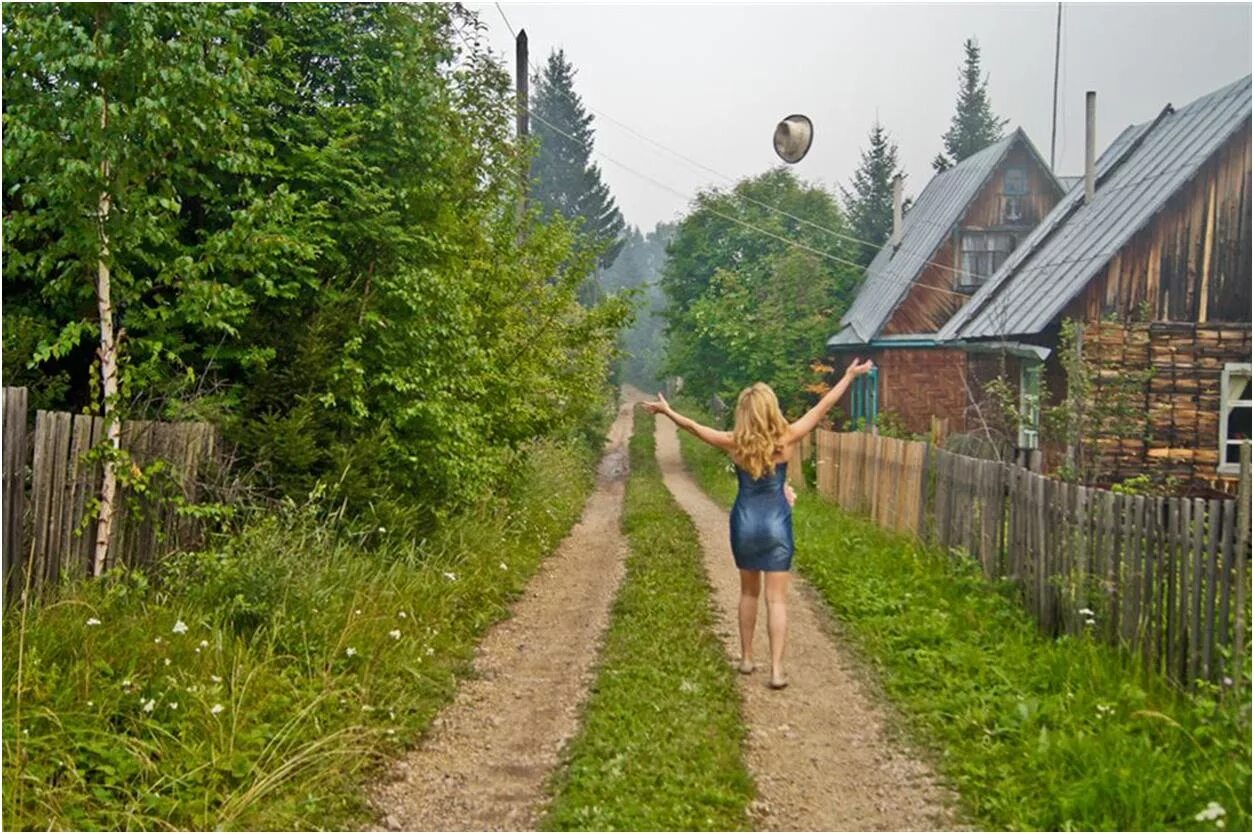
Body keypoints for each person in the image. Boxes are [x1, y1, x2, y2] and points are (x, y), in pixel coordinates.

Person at [642, 359, 874, 689]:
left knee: (748, 593)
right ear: (771, 409)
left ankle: (748, 658)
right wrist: (849, 376)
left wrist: (668, 411)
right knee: (776, 600)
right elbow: (823, 407)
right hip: (777, 522)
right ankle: (777, 670)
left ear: (744, 413)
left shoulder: (734, 442)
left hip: (745, 522)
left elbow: (694, 427)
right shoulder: (788, 438)